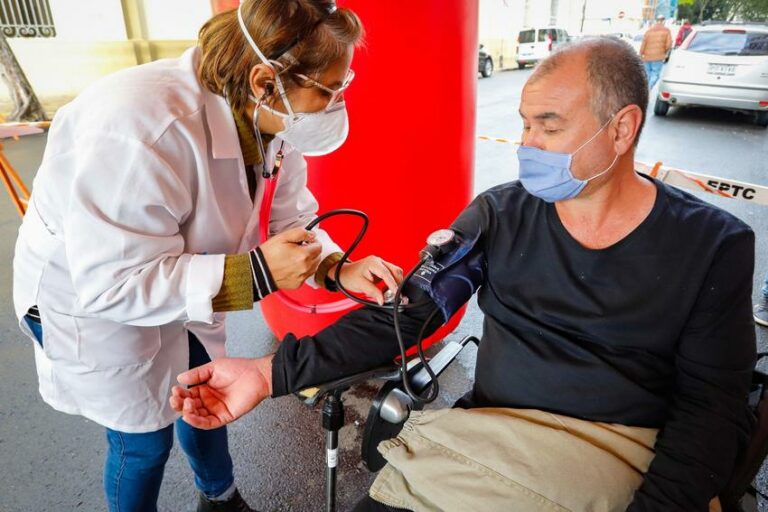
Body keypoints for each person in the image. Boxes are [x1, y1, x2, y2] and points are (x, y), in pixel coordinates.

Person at [171, 38, 756, 511]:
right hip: (493, 435)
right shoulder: (500, 214)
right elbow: (405, 315)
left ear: (623, 129)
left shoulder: (712, 246)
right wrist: (268, 371)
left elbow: (710, 410)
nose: (527, 146)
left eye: (548, 128)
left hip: (620, 451)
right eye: (524, 125)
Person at [12, 1, 403, 511]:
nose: (334, 104)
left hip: (176, 278)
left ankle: (220, 498)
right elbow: (111, 283)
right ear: (267, 79)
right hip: (91, 300)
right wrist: (258, 272)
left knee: (207, 394)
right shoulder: (138, 129)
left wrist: (335, 267)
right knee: (144, 440)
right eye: (330, 89)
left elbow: (291, 217)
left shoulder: (268, 111)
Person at [640, 15, 673, 90]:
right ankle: (648, 89)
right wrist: (664, 52)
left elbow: (643, 43)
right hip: (658, 57)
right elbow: (669, 44)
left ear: (656, 21)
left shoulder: (649, 31)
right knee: (655, 74)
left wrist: (641, 54)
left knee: (647, 75)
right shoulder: (666, 30)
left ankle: (645, 90)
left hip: (647, 57)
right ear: (664, 21)